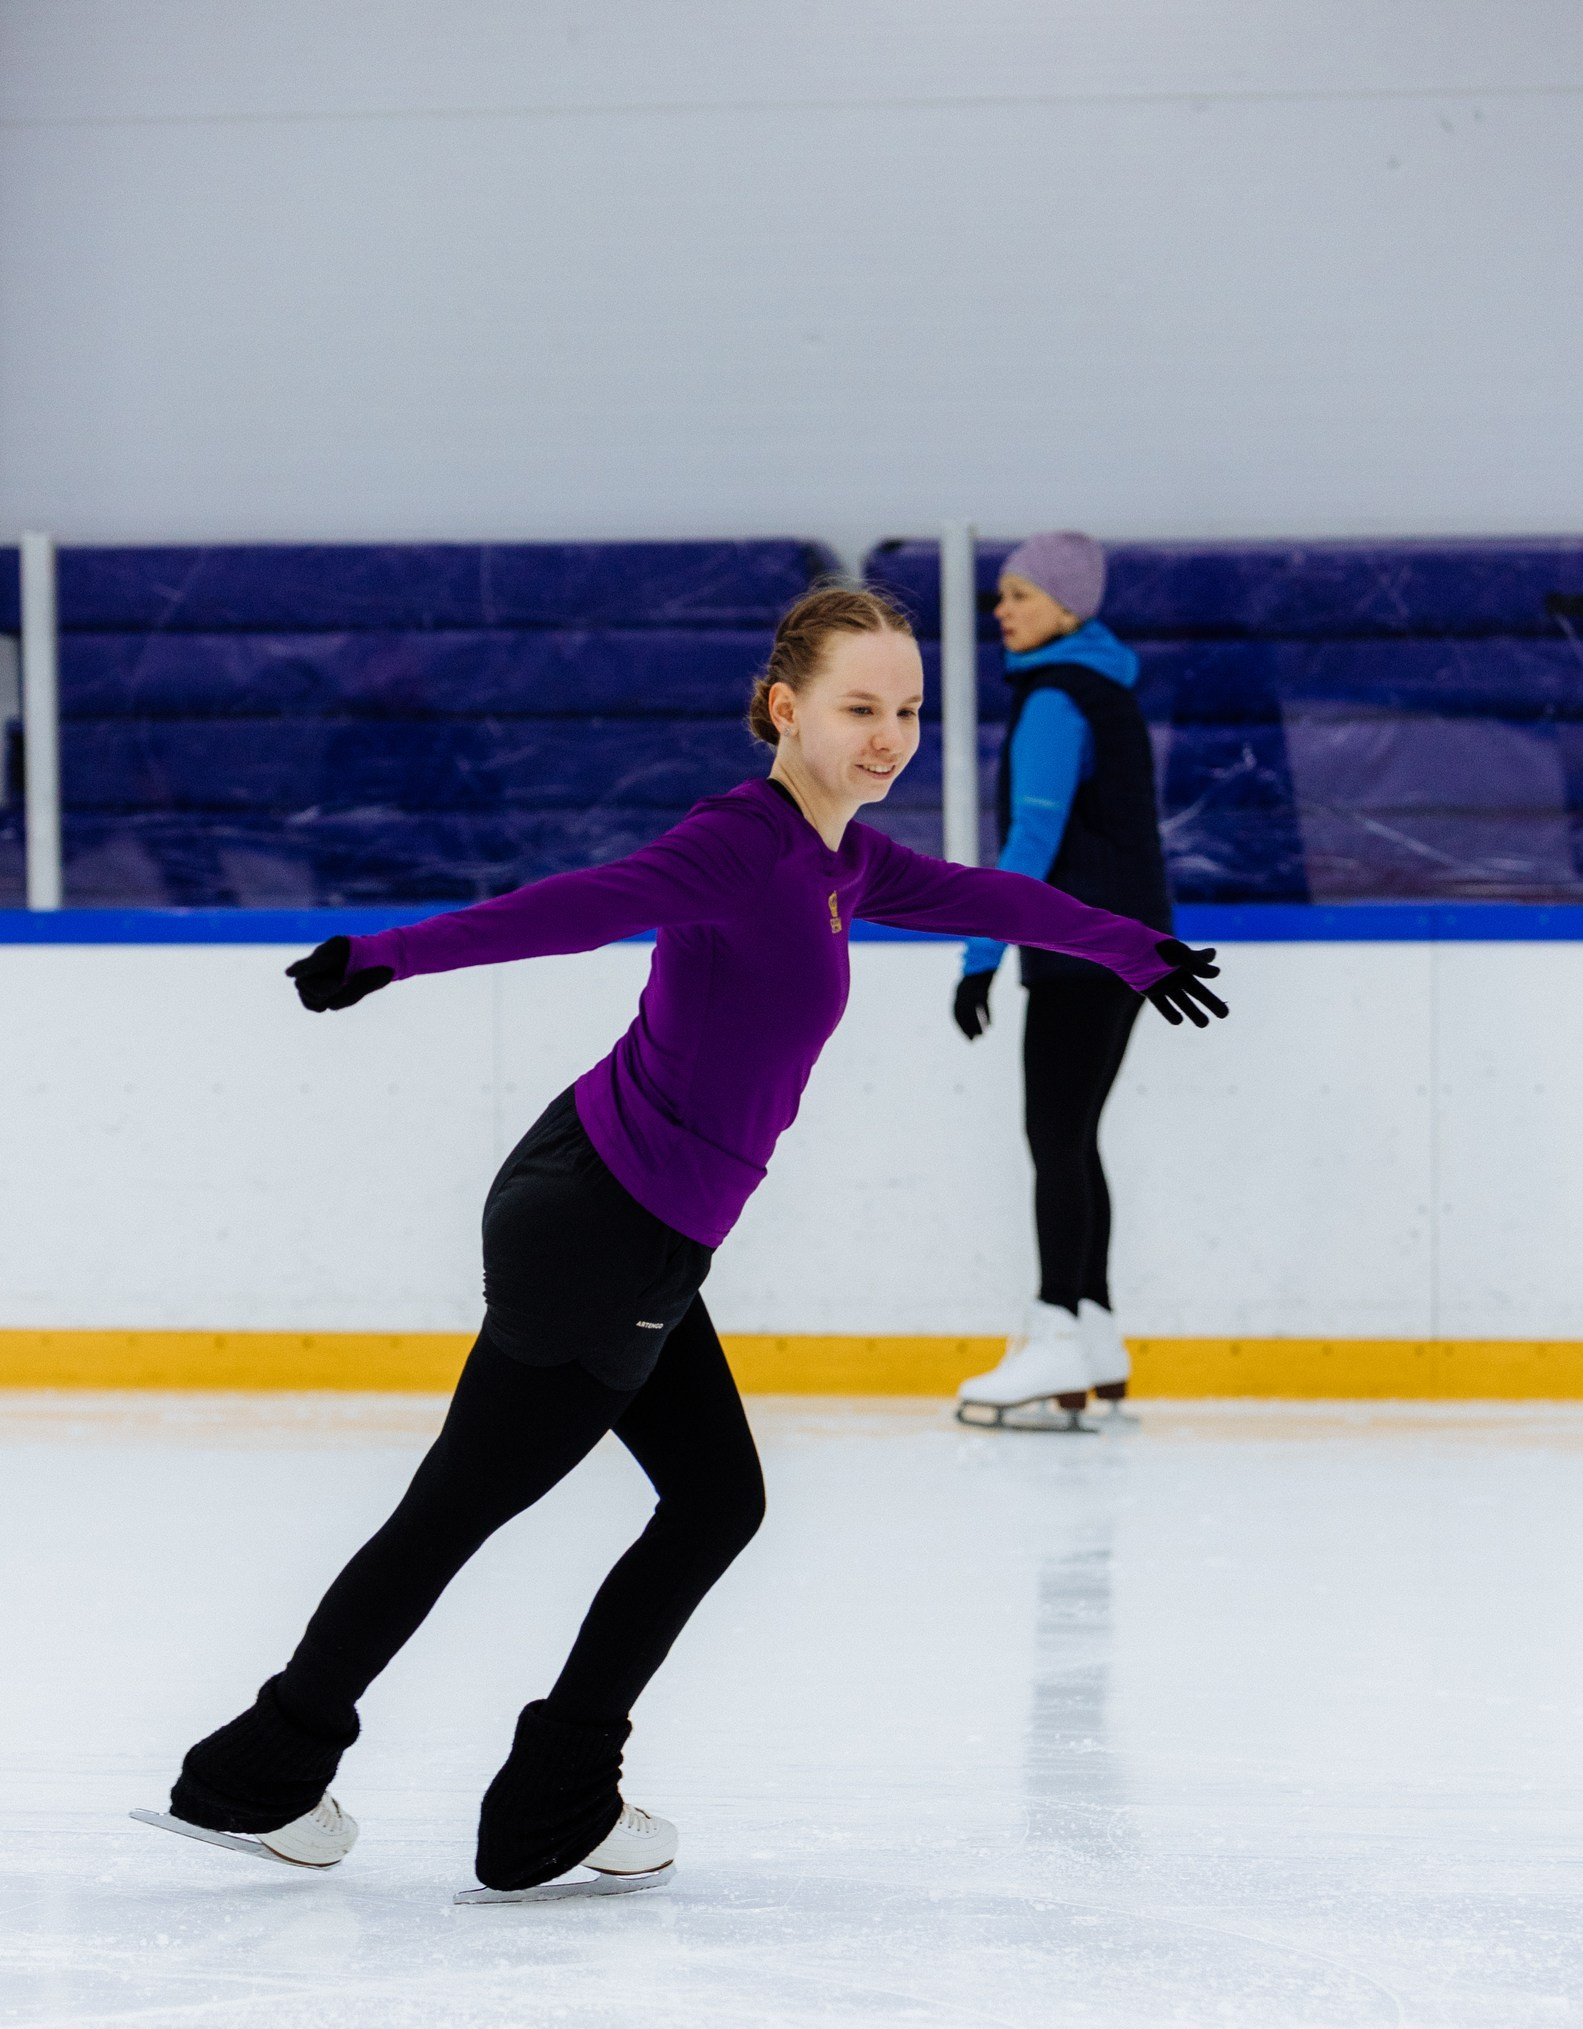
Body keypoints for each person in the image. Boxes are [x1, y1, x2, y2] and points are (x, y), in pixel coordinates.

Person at [145, 585, 1225, 1900]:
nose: (887, 737)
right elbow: (577, 904)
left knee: (685, 1502)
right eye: (856, 708)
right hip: (609, 1226)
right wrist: (388, 954)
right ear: (783, 708)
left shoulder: (842, 861)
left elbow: (979, 895)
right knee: (474, 1511)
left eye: (906, 712)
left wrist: (1128, 948)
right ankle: (363, 1783)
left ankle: (404, 1781)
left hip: (619, 1216)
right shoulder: (742, 843)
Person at [951, 532, 1173, 1423]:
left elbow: (1031, 842)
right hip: (1123, 947)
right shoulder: (1106, 691)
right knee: (1074, 1137)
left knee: (1055, 1136)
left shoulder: (1054, 696)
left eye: (1019, 595)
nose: (1001, 611)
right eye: (1000, 596)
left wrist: (978, 954)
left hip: (1081, 951)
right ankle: (1092, 1328)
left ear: (1068, 607)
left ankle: (1051, 1335)